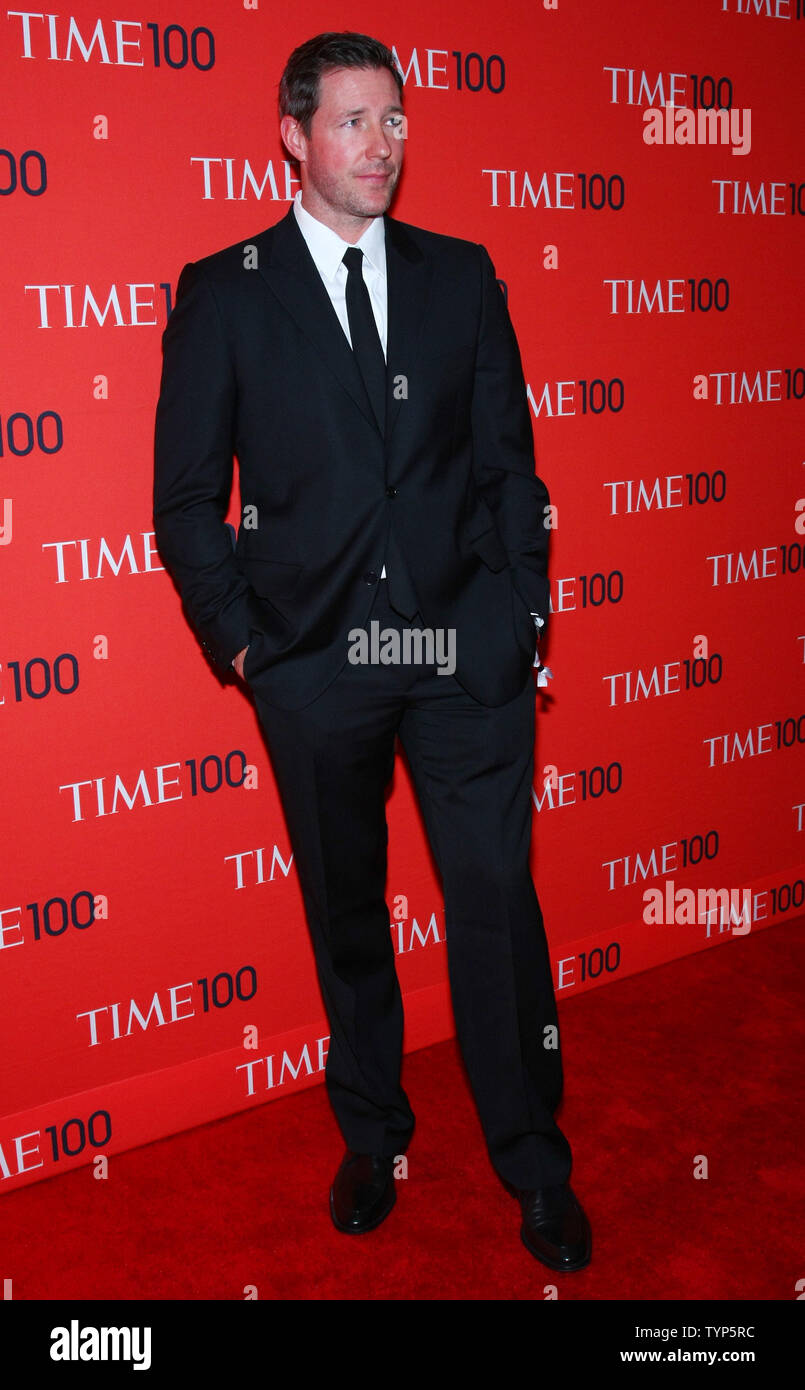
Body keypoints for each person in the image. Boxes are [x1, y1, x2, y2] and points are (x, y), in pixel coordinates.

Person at [153, 30, 591, 1273]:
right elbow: (185, 500)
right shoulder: (226, 290)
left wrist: (520, 613)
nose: (381, 144)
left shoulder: (463, 276)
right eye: (352, 121)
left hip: (464, 652)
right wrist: (250, 651)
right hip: (316, 668)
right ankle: (372, 1133)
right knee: (347, 911)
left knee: (496, 901)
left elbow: (510, 468)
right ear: (293, 137)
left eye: (393, 119)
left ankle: (534, 1159)